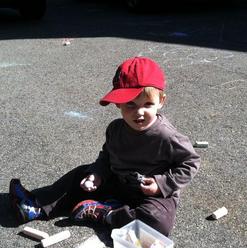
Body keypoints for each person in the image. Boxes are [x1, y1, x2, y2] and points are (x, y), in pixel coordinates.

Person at [9, 56, 200, 236]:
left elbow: (191, 162)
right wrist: (97, 174)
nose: (139, 112)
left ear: (161, 102)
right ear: (118, 104)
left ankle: (106, 213)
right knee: (80, 174)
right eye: (130, 105)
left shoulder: (166, 135)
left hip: (151, 195)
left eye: (148, 104)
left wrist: (161, 184)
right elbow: (107, 156)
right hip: (117, 183)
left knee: (157, 223)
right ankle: (36, 205)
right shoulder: (115, 129)